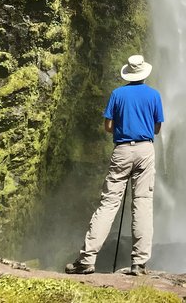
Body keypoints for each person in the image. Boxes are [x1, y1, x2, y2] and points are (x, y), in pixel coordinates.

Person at [65, 54, 164, 276]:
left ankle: (87, 260)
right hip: (146, 149)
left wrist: (122, 127)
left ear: (128, 73)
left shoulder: (117, 94)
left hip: (122, 150)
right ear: (144, 73)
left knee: (108, 204)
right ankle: (139, 263)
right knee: (143, 203)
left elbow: (108, 126)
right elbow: (157, 128)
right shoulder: (154, 95)